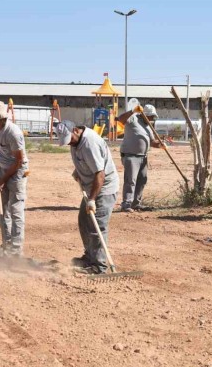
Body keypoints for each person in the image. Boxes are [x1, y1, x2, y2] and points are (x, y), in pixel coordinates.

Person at [56, 120, 119, 274]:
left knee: (96, 225)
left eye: (70, 139)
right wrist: (78, 171)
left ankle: (99, 266)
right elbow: (86, 162)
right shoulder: (76, 142)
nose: (69, 143)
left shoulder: (90, 143)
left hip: (103, 188)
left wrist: (91, 200)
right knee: (84, 221)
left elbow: (100, 174)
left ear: (76, 130)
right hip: (91, 187)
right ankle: (89, 257)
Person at [0, 101, 29, 257]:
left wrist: (2, 180)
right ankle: (7, 245)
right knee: (1, 211)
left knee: (15, 209)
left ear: (3, 119)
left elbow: (18, 161)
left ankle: (16, 250)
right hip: (2, 168)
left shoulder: (14, 133)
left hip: (17, 171)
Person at [117, 104, 162, 212]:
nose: (152, 119)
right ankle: (126, 204)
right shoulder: (133, 118)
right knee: (130, 180)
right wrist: (132, 111)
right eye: (151, 117)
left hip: (143, 157)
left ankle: (136, 203)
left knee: (142, 180)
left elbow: (152, 142)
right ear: (145, 115)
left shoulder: (149, 127)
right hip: (130, 155)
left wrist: (160, 144)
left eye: (153, 117)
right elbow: (120, 119)